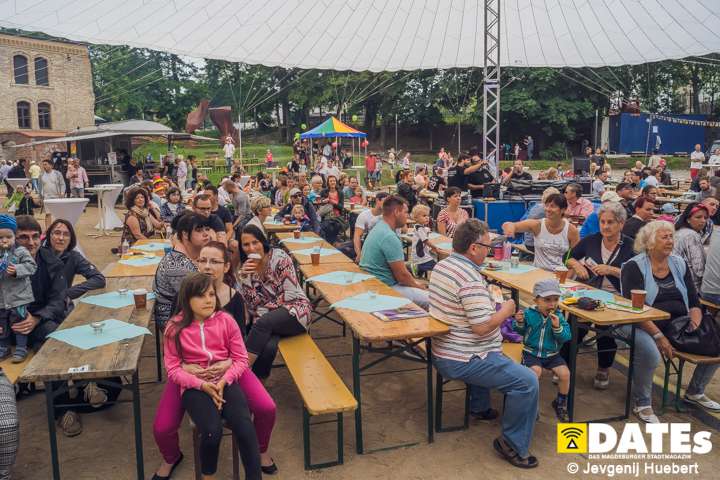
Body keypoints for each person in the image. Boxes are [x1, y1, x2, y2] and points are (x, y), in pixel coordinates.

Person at [151, 243, 278, 480]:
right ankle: (171, 457)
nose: (207, 266)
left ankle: (261, 451)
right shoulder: (187, 294)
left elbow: (239, 349)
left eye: (214, 261)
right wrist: (186, 370)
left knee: (265, 408)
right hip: (190, 371)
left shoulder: (233, 302)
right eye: (202, 260)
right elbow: (174, 349)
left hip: (227, 366)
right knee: (163, 427)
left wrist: (227, 367)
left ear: (226, 266)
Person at [429, 219, 539, 468]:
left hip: (445, 347)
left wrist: (489, 304)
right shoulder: (469, 278)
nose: (490, 252)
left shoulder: (443, 265)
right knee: (527, 381)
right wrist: (508, 309)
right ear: (473, 248)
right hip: (462, 357)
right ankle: (511, 444)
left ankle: (479, 407)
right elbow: (481, 329)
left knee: (492, 350)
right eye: (488, 248)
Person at [163, 273, 261, 480]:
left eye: (211, 295)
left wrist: (225, 380)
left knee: (244, 426)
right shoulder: (174, 327)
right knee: (211, 431)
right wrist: (200, 384)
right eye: (201, 296)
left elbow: (241, 359)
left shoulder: (226, 321)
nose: (208, 300)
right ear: (187, 299)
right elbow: (172, 369)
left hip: (226, 380)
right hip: (195, 387)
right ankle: (209, 476)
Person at [621, 221, 720, 417]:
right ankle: (642, 403)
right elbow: (634, 310)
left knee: (715, 339)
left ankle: (695, 391)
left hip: (678, 325)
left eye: (671, 237)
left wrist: (696, 324)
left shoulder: (678, 263)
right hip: (640, 324)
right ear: (649, 242)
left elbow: (693, 300)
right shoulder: (634, 267)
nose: (670, 241)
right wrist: (659, 336)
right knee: (650, 352)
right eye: (664, 237)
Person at [237, 225, 311, 379]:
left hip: (296, 311)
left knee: (262, 324)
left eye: (255, 242)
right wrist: (244, 278)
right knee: (268, 348)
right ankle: (257, 387)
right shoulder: (246, 269)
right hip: (269, 320)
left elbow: (290, 294)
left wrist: (264, 311)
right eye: (246, 244)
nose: (251, 248)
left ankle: (239, 372)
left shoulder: (280, 258)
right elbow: (253, 304)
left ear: (262, 241)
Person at [513, 278, 571, 420]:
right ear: (536, 300)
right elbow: (520, 331)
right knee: (535, 372)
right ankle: (532, 404)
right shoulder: (529, 314)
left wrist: (557, 327)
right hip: (531, 352)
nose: (552, 304)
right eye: (547, 300)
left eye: (555, 299)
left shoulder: (559, 317)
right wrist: (519, 322)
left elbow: (566, 337)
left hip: (552, 354)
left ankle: (560, 402)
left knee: (565, 374)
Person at [360, 196, 429, 309]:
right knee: (434, 301)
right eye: (406, 212)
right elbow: (402, 276)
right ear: (396, 212)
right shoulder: (389, 236)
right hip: (383, 288)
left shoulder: (379, 226)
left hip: (371, 282)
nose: (407, 216)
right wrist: (417, 286)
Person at [153, 212, 210, 330]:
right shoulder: (178, 265)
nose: (206, 234)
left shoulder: (187, 256)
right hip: (173, 321)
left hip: (185, 313)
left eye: (207, 229)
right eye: (199, 230)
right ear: (184, 234)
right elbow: (200, 299)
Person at [502, 193, 579, 272]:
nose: (548, 209)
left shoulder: (571, 231)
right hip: (538, 273)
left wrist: (567, 279)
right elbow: (513, 225)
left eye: (552, 206)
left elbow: (576, 258)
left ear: (563, 209)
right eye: (546, 205)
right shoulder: (537, 225)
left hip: (561, 274)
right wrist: (510, 227)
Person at [43, 219, 106, 315]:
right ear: (49, 236)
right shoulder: (39, 255)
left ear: (71, 239)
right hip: (42, 307)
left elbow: (99, 279)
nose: (61, 238)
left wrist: (68, 293)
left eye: (66, 234)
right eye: (57, 233)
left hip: (63, 306)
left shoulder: (73, 257)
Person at [0, 215, 36, 363]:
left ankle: (21, 348)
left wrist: (17, 269)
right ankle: (3, 346)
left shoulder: (20, 252)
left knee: (18, 322)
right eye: (0, 238)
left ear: (15, 236)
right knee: (2, 324)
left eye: (8, 236)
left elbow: (32, 266)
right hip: (2, 299)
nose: (4, 240)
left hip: (19, 298)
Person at [672, 203, 710, 291]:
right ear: (688, 219)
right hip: (690, 287)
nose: (703, 221)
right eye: (698, 217)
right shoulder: (691, 235)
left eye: (705, 217)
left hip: (676, 282)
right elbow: (699, 269)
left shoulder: (679, 231)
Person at [353, 192, 388, 262]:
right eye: (385, 202)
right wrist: (359, 254)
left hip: (382, 246)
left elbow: (404, 230)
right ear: (378, 200)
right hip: (366, 243)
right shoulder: (364, 215)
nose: (387, 205)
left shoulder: (389, 216)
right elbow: (357, 237)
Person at [410, 204, 437, 275]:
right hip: (419, 254)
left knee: (431, 263)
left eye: (428, 216)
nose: (427, 218)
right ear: (416, 218)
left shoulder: (422, 227)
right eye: (424, 216)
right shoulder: (419, 228)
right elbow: (425, 241)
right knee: (435, 266)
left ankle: (418, 270)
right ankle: (416, 267)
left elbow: (427, 232)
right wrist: (435, 247)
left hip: (422, 253)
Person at [39, 158, 66, 226]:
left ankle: (58, 227)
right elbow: (40, 187)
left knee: (58, 214)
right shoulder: (41, 175)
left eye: (45, 164)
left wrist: (62, 193)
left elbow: (62, 184)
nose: (44, 166)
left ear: (51, 165)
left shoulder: (57, 173)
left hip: (57, 197)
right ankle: (48, 230)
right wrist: (41, 197)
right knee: (48, 214)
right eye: (43, 165)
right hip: (47, 197)